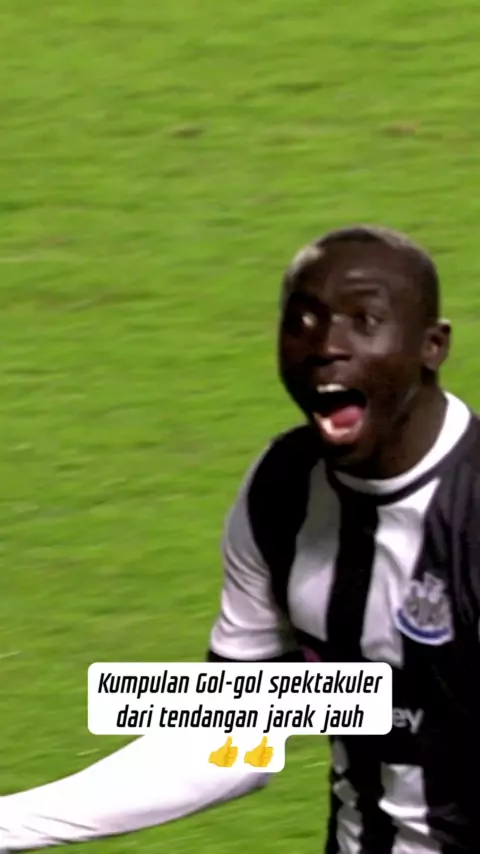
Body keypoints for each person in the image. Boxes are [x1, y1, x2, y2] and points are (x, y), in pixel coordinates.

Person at [1, 224, 480, 854]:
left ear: (431, 346)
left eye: (365, 320)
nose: (326, 346)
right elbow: (231, 737)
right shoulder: (282, 490)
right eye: (303, 322)